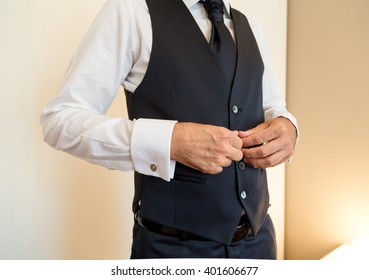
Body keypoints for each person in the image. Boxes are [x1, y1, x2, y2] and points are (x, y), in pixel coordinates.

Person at [41, 0, 298, 259]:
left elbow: (272, 107)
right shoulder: (131, 12)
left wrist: (288, 126)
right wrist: (170, 141)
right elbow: (60, 120)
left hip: (259, 243)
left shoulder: (251, 26)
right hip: (173, 251)